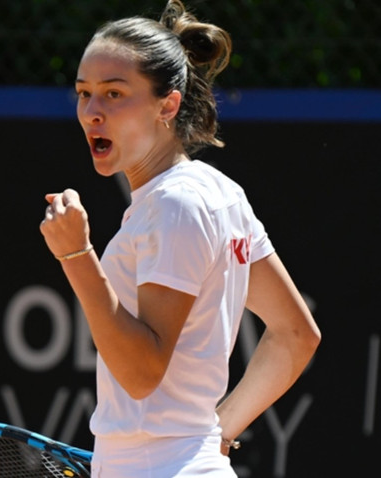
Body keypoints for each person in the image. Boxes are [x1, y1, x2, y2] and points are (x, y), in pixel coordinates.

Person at [38, 1, 321, 476]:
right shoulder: (219, 195)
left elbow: (142, 372)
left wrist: (75, 254)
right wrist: (218, 434)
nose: (92, 112)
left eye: (113, 93)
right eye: (84, 94)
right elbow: (296, 336)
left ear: (167, 105)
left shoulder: (174, 206)